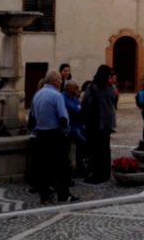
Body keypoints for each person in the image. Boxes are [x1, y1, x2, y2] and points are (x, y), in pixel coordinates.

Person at [31, 70, 78, 203]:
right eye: (59, 80)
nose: (61, 82)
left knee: (43, 166)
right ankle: (63, 195)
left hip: (40, 133)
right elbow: (63, 117)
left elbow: (33, 115)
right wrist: (65, 131)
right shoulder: (56, 95)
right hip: (55, 133)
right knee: (62, 166)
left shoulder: (37, 95)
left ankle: (44, 195)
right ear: (54, 81)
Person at [82, 64, 118, 184]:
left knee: (94, 149)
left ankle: (96, 174)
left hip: (95, 122)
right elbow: (113, 100)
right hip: (107, 122)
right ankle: (105, 173)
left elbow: (84, 102)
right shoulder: (111, 88)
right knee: (105, 149)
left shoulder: (92, 87)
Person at [63, 80, 86, 178]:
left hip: (79, 125)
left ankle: (80, 166)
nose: (78, 89)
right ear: (69, 88)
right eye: (76, 87)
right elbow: (76, 110)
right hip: (71, 127)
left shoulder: (74, 98)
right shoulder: (64, 98)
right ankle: (79, 167)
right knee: (83, 142)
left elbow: (80, 109)